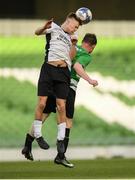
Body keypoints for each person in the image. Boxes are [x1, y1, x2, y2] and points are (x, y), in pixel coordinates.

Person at [22, 33, 98, 168]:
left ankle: (27, 146)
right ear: (92, 46)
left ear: (83, 41)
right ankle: (60, 156)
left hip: (55, 83)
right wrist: (89, 80)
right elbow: (77, 67)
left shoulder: (73, 47)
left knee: (43, 115)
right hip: (67, 87)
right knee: (68, 120)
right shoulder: (86, 55)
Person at [22, 13, 82, 160]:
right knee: (42, 104)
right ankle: (37, 135)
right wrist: (44, 26)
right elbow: (37, 33)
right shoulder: (53, 28)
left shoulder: (70, 37)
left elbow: (72, 57)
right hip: (49, 69)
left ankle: (60, 140)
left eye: (77, 28)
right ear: (68, 22)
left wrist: (73, 44)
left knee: (61, 106)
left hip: (63, 73)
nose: (75, 29)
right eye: (75, 26)